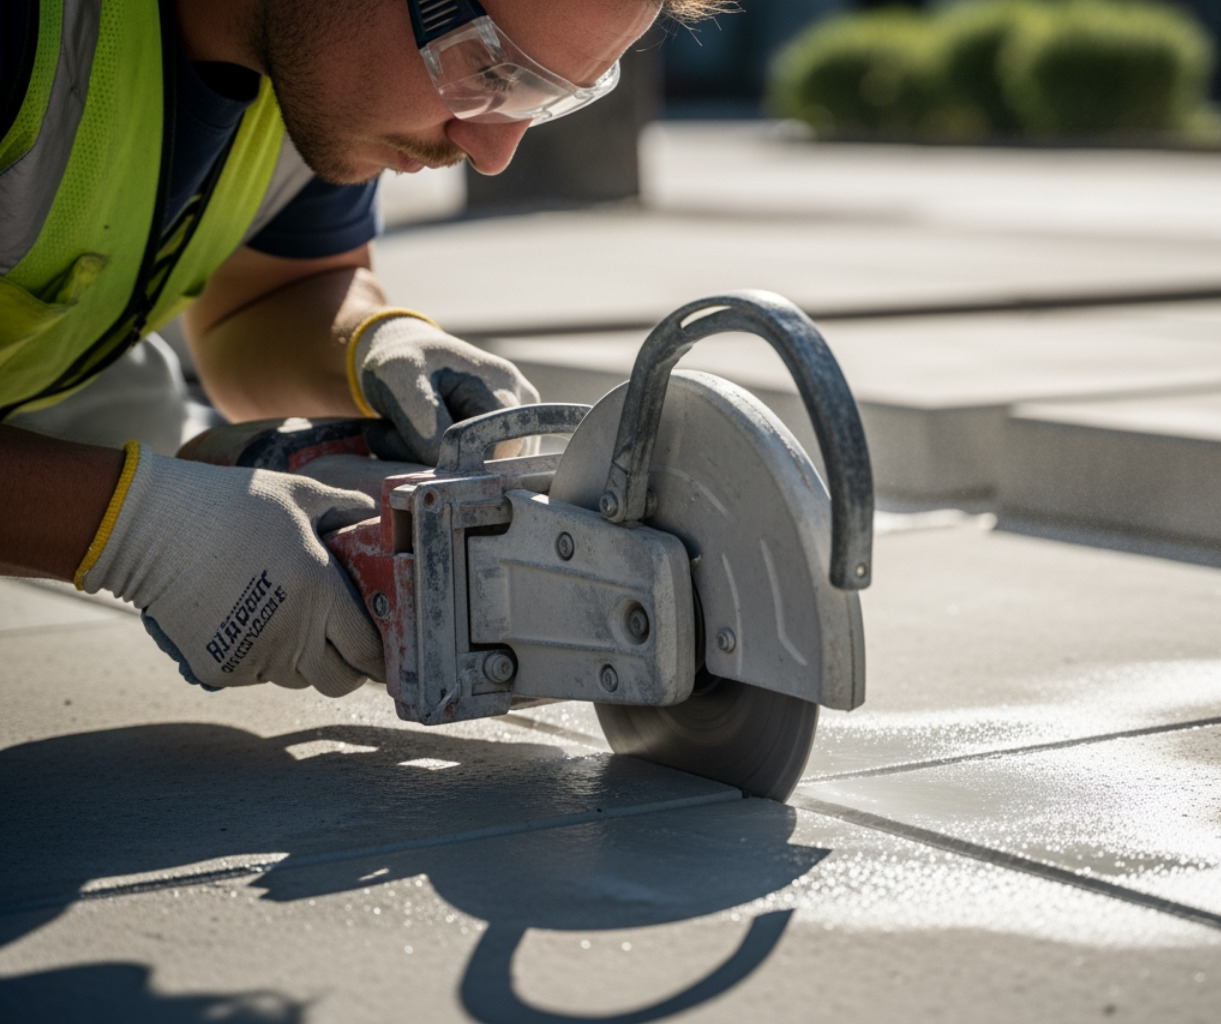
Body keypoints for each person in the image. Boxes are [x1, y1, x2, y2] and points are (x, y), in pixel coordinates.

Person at [0, 0, 722, 696]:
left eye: (550, 96)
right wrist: (132, 529)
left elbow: (265, 301)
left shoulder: (302, 66)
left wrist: (374, 344)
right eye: (490, 70)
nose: (494, 149)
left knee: (141, 415)